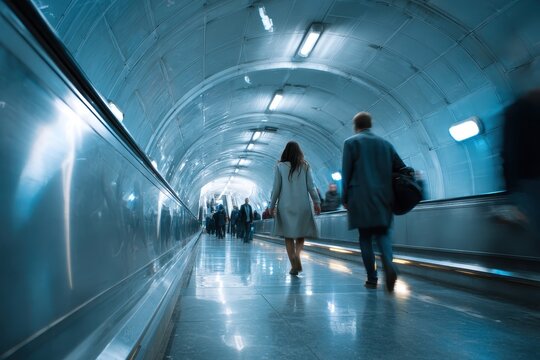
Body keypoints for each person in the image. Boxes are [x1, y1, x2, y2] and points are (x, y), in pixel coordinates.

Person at [342, 112, 405, 292]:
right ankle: (390, 266)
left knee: (365, 238)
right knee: (383, 234)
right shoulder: (386, 144)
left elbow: (346, 173)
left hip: (360, 197)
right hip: (384, 197)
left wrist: (344, 197)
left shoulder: (351, 143)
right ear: (371, 124)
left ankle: (372, 278)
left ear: (356, 126)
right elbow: (401, 168)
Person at [270, 141, 321, 276]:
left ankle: (293, 263)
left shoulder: (280, 167)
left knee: (288, 236)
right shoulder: (305, 166)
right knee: (300, 235)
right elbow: (311, 186)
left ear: (285, 152)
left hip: (285, 206)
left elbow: (276, 188)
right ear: (299, 152)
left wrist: (271, 205)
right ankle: (297, 255)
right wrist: (317, 202)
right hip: (303, 206)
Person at [500, 89, 540, 237]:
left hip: (527, 182)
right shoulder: (518, 111)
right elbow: (510, 152)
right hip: (530, 182)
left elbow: (508, 153)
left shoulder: (515, 111)